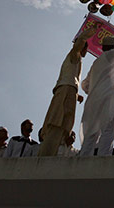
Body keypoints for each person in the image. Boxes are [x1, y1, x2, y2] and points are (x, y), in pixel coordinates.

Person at [38, 25, 97, 156]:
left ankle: (57, 151)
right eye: (86, 48)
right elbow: (80, 41)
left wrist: (76, 95)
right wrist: (92, 30)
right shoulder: (74, 55)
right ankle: (47, 153)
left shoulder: (78, 60)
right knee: (57, 121)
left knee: (65, 125)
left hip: (69, 91)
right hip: (65, 90)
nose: (86, 51)